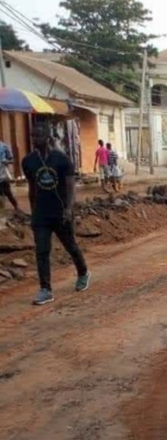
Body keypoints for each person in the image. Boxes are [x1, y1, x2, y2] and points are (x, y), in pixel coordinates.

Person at [22, 122, 90, 306]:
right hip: (41, 215)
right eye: (33, 135)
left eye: (38, 135)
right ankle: (45, 289)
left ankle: (83, 272)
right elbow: (32, 188)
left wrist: (68, 210)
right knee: (42, 251)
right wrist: (32, 211)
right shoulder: (28, 161)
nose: (35, 139)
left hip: (61, 213)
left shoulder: (62, 160)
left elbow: (70, 187)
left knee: (71, 246)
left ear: (48, 137)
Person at [0, 137, 24, 217]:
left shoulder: (4, 147)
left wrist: (5, 161)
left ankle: (16, 207)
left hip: (3, 175)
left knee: (8, 193)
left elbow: (12, 160)